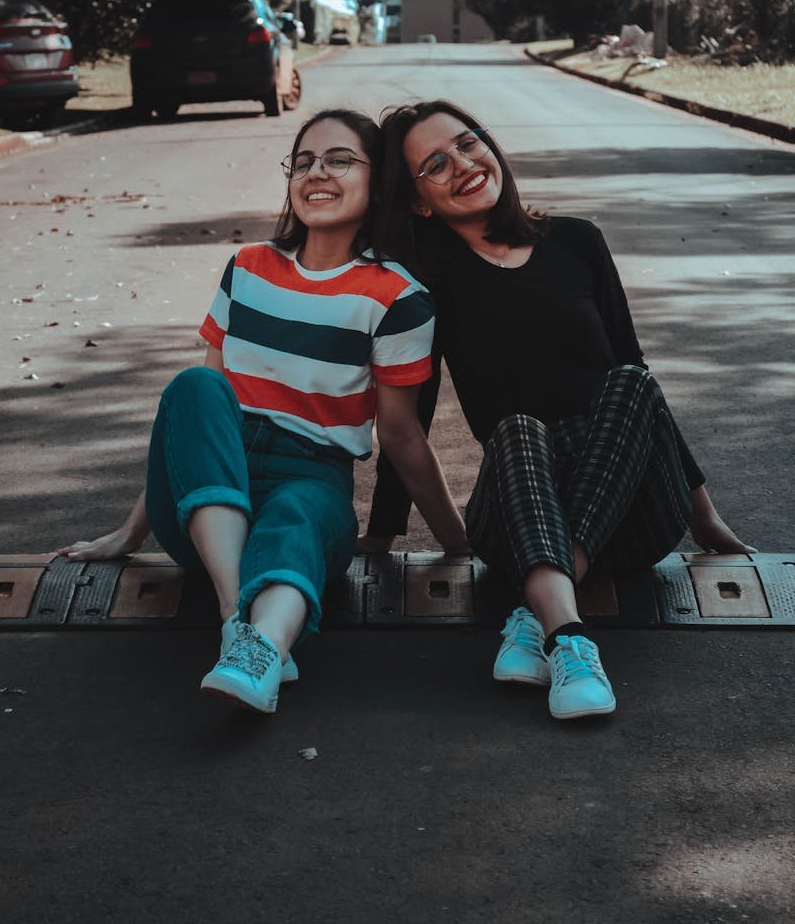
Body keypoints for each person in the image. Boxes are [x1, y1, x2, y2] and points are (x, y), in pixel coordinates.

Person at [60, 108, 468, 714]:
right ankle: (237, 623)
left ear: (376, 182)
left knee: (298, 514)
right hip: (205, 504)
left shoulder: (398, 298)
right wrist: (131, 531)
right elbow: (196, 430)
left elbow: (402, 435)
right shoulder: (247, 268)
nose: (316, 173)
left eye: (337, 160)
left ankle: (263, 652)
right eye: (303, 162)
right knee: (194, 388)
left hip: (311, 480)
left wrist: (457, 542)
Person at [363, 99, 755, 722]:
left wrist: (702, 516)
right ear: (417, 202)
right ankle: (570, 642)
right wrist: (384, 531)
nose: (464, 164)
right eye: (436, 164)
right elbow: (411, 415)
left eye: (469, 143)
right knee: (518, 428)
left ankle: (539, 608)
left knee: (631, 382)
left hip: (629, 514)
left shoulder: (577, 241)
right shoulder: (427, 286)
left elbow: (637, 370)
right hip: (519, 509)